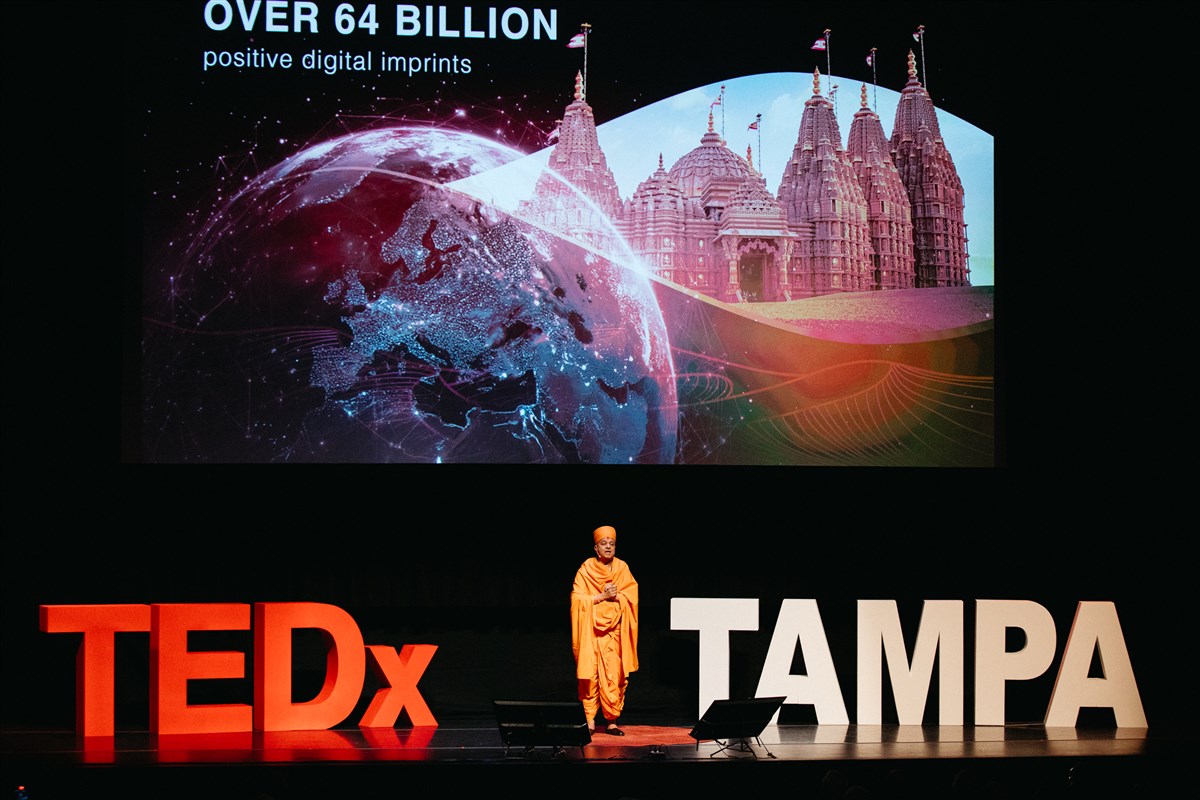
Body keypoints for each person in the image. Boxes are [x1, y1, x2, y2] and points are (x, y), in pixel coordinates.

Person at [571, 524, 639, 735]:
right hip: (591, 632)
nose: (608, 547)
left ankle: (611, 721)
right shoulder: (586, 568)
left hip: (614, 633)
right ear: (596, 548)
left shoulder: (622, 568)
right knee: (589, 675)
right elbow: (576, 598)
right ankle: (590, 721)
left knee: (614, 675)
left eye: (612, 543)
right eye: (604, 543)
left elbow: (632, 597)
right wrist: (601, 596)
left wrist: (616, 595)